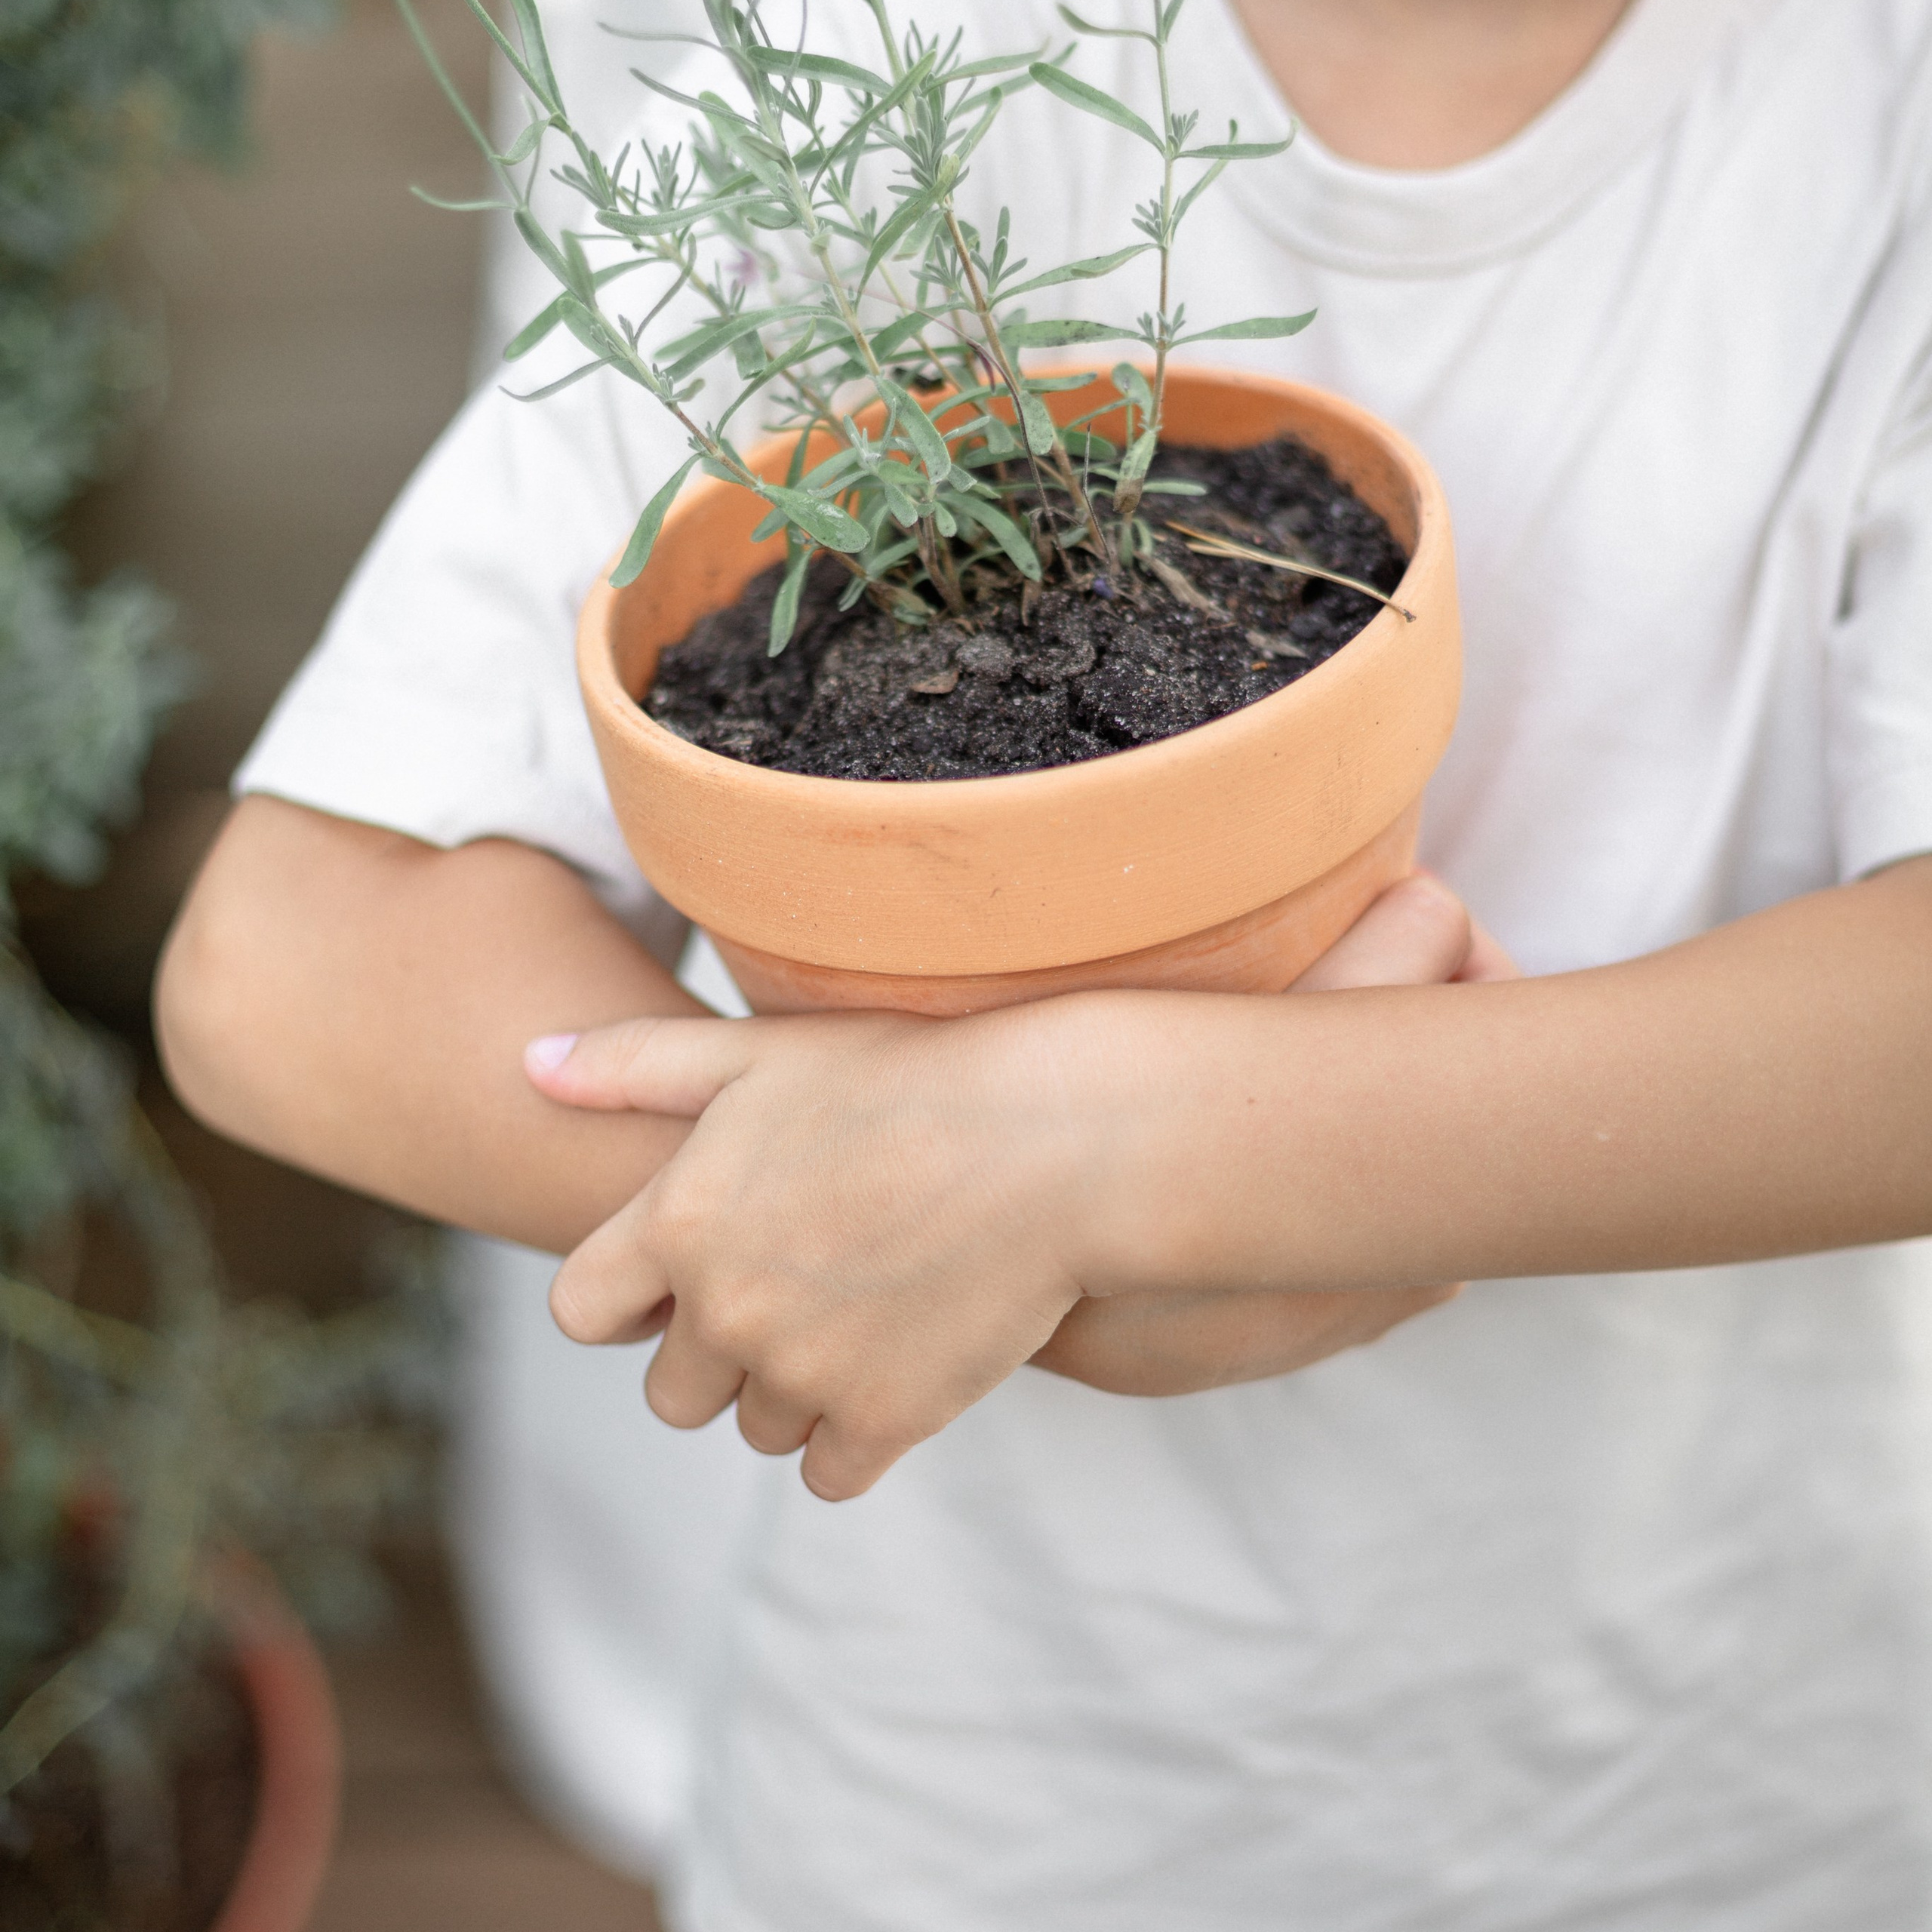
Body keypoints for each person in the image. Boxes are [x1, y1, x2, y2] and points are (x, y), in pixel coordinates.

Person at [158, 0, 1932, 1924]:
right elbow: (297, 958)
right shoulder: (870, 71)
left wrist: (1120, 1155)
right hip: (980, 1788)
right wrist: (930, 1205)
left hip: (1756, 1772)